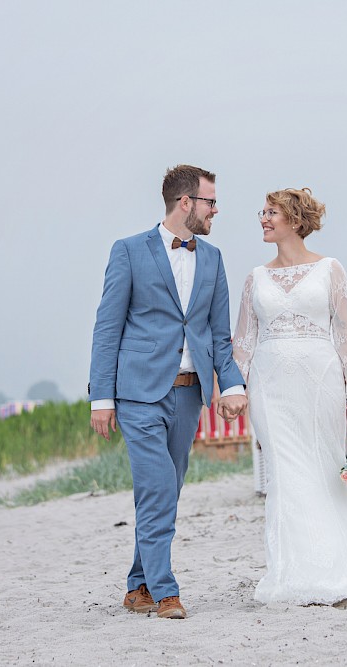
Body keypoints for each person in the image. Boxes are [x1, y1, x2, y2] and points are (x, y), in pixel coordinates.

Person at [88, 164, 248, 620]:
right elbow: (107, 327)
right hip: (137, 394)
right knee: (158, 488)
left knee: (166, 491)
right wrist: (102, 398)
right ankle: (165, 591)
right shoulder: (128, 251)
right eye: (210, 201)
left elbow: (219, 336)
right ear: (186, 203)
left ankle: (137, 585)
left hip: (187, 394)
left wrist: (232, 383)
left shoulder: (213, 258)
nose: (215, 210)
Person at [232, 187, 347, 605]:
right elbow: (243, 344)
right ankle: (296, 571)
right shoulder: (256, 278)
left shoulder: (331, 270)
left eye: (272, 212)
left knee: (323, 469)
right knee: (285, 474)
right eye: (262, 212)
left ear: (295, 219)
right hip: (269, 387)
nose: (263, 218)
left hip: (320, 383)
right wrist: (233, 390)